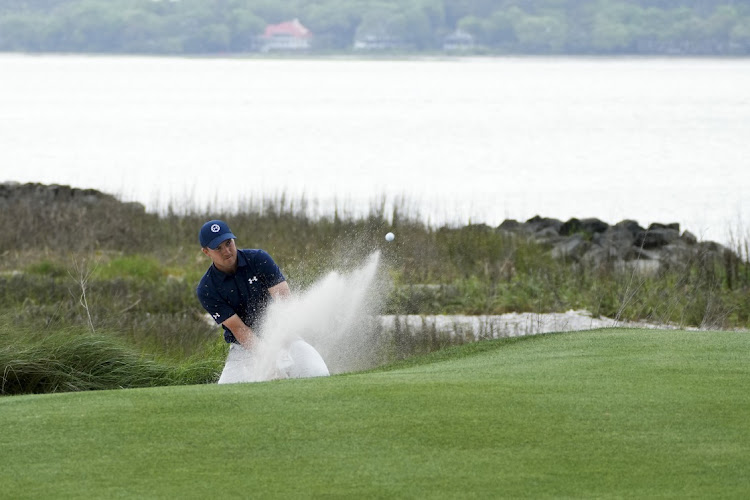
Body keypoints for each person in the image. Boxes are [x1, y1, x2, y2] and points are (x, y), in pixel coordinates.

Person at [196, 219, 329, 383]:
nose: (226, 251)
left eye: (228, 243)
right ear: (206, 252)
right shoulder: (207, 288)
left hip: (284, 337)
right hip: (243, 349)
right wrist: (268, 360)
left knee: (318, 374)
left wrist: (280, 346)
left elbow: (285, 303)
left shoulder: (258, 259)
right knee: (227, 391)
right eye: (218, 248)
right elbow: (240, 330)